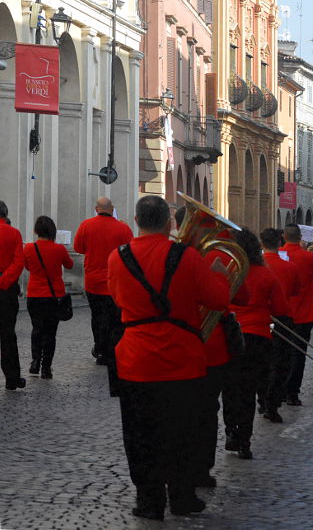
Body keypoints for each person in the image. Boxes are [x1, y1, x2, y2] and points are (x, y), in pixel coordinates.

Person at [108, 195, 230, 520]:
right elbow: (218, 299)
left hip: (135, 362)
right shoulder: (188, 257)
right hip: (183, 361)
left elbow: (118, 300)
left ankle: (149, 502)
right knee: (183, 434)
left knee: (139, 436)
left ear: (136, 220)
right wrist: (217, 272)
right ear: (170, 223)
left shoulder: (117, 258)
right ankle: (182, 497)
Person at [175, 205, 249, 485]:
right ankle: (201, 470)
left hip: (179, 346)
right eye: (207, 227)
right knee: (206, 411)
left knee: (181, 411)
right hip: (212, 347)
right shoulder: (218, 256)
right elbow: (241, 298)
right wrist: (221, 276)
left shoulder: (176, 258)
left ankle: (180, 470)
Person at [228, 228, 287, 459]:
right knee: (248, 391)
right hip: (258, 338)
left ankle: (230, 431)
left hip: (231, 335)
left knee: (230, 389)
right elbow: (281, 309)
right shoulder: (266, 274)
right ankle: (245, 441)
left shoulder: (229, 270)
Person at [74, 197, 133, 365]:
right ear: (112, 208)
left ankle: (99, 348)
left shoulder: (86, 225)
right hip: (115, 282)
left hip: (93, 281)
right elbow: (130, 251)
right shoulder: (123, 228)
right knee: (114, 318)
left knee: (97, 317)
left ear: (96, 209)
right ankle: (111, 351)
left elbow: (78, 248)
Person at [23, 216, 74, 379]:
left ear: (35, 231)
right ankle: (46, 367)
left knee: (37, 329)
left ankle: (35, 362)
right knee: (51, 332)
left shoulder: (29, 248)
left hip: (35, 294)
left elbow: (27, 267)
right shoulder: (59, 249)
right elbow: (70, 265)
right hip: (54, 296)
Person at [260, 227, 300, 422]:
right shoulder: (290, 267)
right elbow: (294, 291)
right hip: (283, 318)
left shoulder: (255, 266)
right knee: (280, 363)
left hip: (260, 320)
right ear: (279, 243)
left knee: (261, 363)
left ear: (262, 244)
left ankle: (261, 400)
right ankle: (272, 405)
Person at [280, 224, 313, 406]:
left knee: (279, 354)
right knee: (298, 355)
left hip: (281, 313)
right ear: (300, 238)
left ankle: (277, 390)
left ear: (284, 236)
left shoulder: (278, 255)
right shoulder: (309, 257)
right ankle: (292, 392)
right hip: (303, 314)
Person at [0, 201, 25, 391]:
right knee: (8, 335)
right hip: (7, 291)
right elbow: (18, 263)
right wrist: (4, 281)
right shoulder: (14, 233)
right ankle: (12, 378)